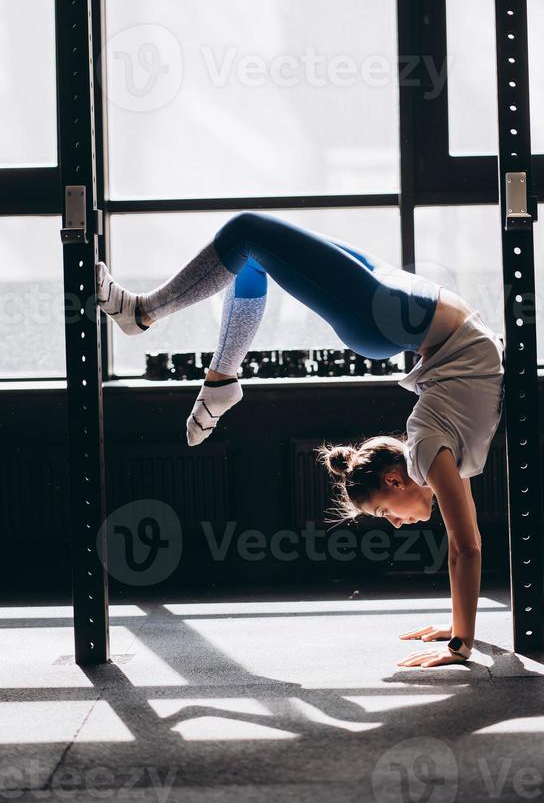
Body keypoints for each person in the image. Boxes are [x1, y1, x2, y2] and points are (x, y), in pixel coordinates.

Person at [97, 209, 505, 667]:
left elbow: (465, 544)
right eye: (385, 513)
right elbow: (466, 547)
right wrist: (460, 642)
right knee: (247, 235)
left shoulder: (433, 453)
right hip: (394, 313)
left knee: (252, 247)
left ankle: (221, 378)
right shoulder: (433, 453)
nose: (393, 523)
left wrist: (461, 629)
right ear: (394, 481)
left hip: (400, 313)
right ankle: (144, 315)